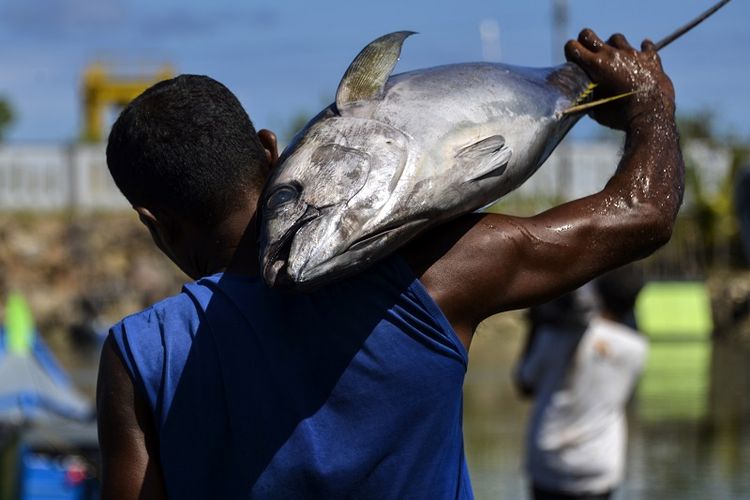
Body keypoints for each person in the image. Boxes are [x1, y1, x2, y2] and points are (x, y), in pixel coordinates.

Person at [96, 29, 683, 499]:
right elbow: (643, 214)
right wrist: (650, 104)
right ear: (272, 149)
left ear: (154, 222)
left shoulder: (140, 356)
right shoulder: (435, 276)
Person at [515, 267, 648, 500]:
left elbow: (525, 383)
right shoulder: (637, 349)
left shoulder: (556, 338)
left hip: (548, 464)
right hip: (600, 464)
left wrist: (538, 323)